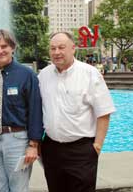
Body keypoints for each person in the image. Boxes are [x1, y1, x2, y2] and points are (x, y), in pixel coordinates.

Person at [38, 32, 116, 192]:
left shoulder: (89, 74)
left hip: (81, 150)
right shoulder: (43, 75)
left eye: (61, 47)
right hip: (52, 148)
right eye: (53, 48)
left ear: (73, 48)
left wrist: (97, 146)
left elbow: (104, 112)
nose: (57, 52)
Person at [0, 29, 43, 192]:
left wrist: (33, 144)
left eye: (4, 46)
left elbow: (36, 111)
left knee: (18, 188)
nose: (0, 51)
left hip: (18, 140)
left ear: (13, 47)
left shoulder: (27, 75)